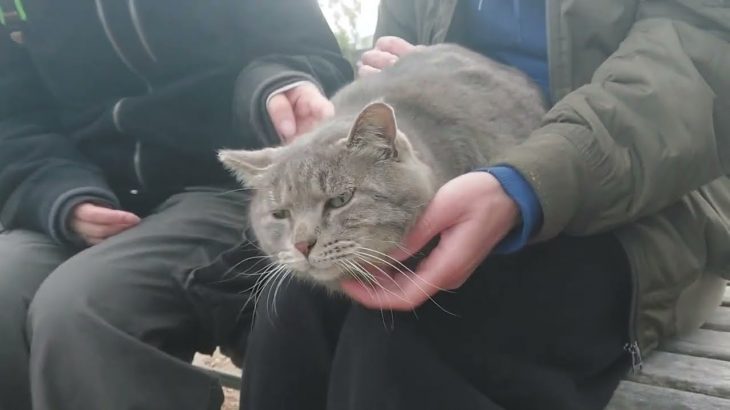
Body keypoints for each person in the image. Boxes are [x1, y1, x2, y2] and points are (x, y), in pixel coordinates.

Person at [233, 1, 730, 409]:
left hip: (646, 204)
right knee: (292, 313)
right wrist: (411, 78)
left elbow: (699, 67)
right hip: (445, 179)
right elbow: (382, 93)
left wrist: (524, 181)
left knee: (407, 342)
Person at [0, 1, 352, 409]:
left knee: (81, 309)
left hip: (227, 186)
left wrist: (281, 85)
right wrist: (58, 195)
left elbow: (316, 59)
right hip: (78, 194)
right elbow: (13, 117)